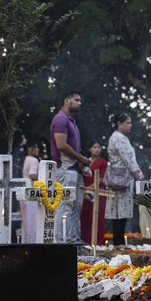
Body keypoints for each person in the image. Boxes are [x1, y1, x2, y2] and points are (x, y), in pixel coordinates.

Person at [50, 91, 91, 244]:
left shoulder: (70, 120)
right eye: (76, 100)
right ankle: (60, 242)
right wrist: (81, 158)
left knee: (76, 206)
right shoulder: (60, 119)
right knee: (65, 206)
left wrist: (81, 162)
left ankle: (73, 240)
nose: (80, 103)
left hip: (75, 169)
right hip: (65, 169)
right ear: (67, 100)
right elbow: (61, 145)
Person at [105, 112, 144, 247]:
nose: (130, 125)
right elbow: (127, 158)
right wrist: (137, 172)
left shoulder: (119, 137)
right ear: (119, 124)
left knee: (120, 209)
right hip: (120, 178)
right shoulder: (118, 138)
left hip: (122, 177)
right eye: (127, 123)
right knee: (119, 210)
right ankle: (119, 242)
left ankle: (119, 241)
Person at [80, 141, 108, 245]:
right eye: (94, 147)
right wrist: (84, 190)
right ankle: (85, 240)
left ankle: (98, 241)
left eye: (99, 147)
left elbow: (100, 178)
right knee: (85, 215)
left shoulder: (103, 162)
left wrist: (89, 188)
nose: (97, 149)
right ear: (90, 149)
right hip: (84, 190)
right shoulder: (85, 161)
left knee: (97, 216)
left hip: (97, 191)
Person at [20, 140, 40, 243]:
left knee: (26, 223)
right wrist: (42, 178)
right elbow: (32, 174)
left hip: (24, 194)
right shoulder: (33, 160)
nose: (38, 149)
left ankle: (27, 242)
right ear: (29, 149)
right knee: (32, 223)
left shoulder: (26, 159)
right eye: (35, 147)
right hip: (32, 194)